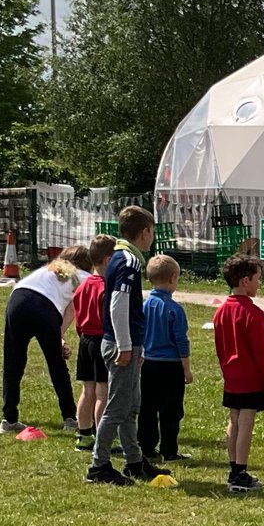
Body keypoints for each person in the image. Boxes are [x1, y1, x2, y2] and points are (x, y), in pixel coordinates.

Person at [85, 206, 170, 486]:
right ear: (144, 232)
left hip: (129, 343)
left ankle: (134, 461)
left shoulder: (121, 256)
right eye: (152, 231)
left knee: (131, 406)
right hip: (121, 343)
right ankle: (99, 465)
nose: (152, 236)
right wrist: (124, 345)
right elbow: (118, 303)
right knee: (117, 408)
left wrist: (137, 347)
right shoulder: (129, 261)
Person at [0, 245, 93, 434]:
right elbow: (72, 308)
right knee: (56, 364)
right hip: (44, 305)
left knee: (13, 362)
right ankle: (69, 417)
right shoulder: (83, 276)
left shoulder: (49, 268)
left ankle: (8, 419)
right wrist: (59, 337)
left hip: (17, 298)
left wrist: (59, 337)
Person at [213, 254, 264, 493]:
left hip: (231, 375)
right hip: (250, 377)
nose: (260, 283)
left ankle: (233, 468)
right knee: (246, 423)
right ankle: (240, 472)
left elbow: (219, 346)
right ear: (245, 281)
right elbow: (261, 351)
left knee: (234, 420)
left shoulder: (220, 312)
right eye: (258, 278)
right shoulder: (253, 313)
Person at [138, 254, 193, 462]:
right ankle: (169, 450)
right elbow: (181, 341)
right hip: (171, 366)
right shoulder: (174, 309)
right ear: (173, 278)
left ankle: (146, 446)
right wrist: (186, 368)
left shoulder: (144, 306)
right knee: (171, 410)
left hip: (148, 363)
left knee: (147, 407)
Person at [72, 234, 116, 452]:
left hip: (85, 340)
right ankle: (102, 437)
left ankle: (83, 435)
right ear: (108, 260)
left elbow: (77, 311)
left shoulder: (84, 284)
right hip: (101, 340)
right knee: (103, 392)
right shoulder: (106, 288)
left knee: (87, 390)